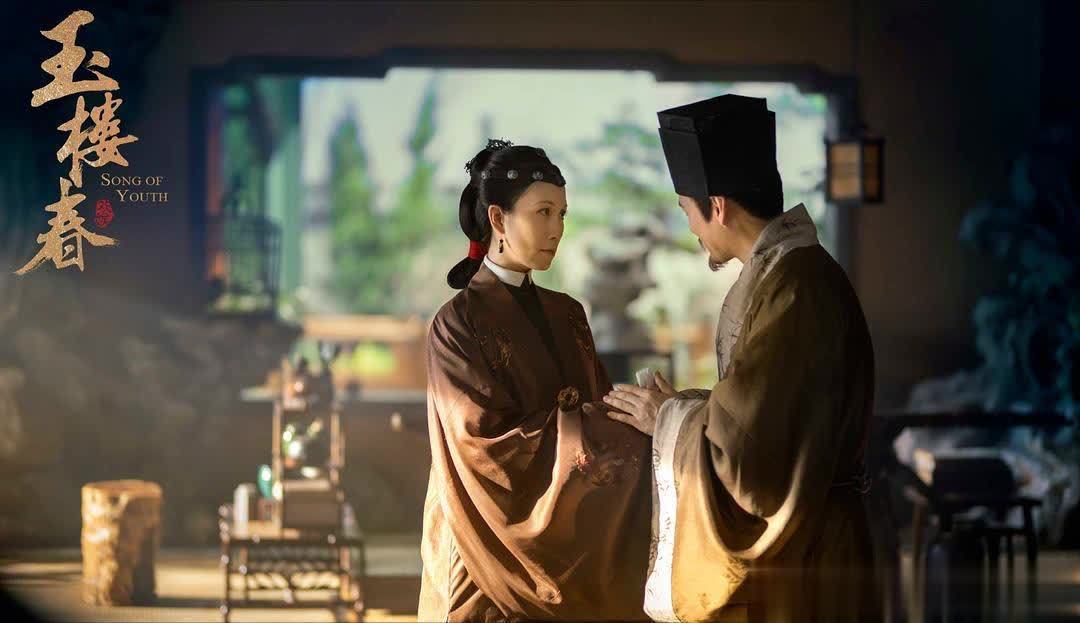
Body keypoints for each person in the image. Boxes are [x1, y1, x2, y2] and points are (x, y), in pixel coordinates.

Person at [602, 95, 881, 622]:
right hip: (808, 534)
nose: (690, 228)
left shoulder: (795, 288)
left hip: (809, 549)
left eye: (687, 210)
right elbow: (768, 410)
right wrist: (686, 407)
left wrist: (668, 419)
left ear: (717, 206)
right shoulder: (789, 274)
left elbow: (752, 450)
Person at [419, 139, 652, 622]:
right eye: (543, 212)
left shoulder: (569, 314)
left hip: (573, 537)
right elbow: (485, 443)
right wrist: (594, 431)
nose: (557, 229)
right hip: (482, 540)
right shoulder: (457, 323)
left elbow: (599, 404)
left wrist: (648, 414)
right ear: (499, 220)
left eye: (562, 214)